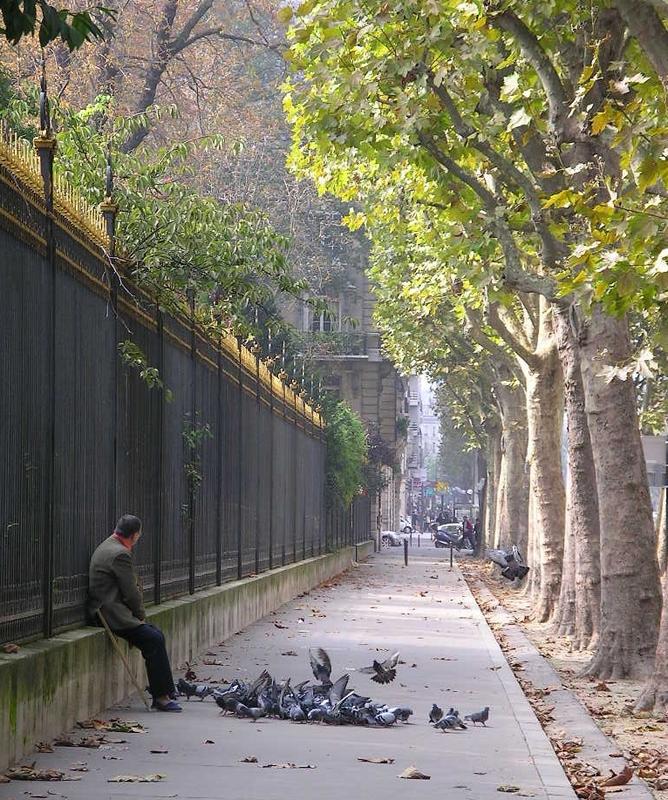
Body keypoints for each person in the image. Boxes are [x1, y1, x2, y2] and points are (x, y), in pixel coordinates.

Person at [88, 514, 181, 712]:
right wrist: (139, 616)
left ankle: (166, 689)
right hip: (111, 613)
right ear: (135, 535)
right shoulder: (120, 554)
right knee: (153, 639)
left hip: (108, 608)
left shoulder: (109, 545)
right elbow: (131, 593)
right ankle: (161, 697)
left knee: (155, 635)